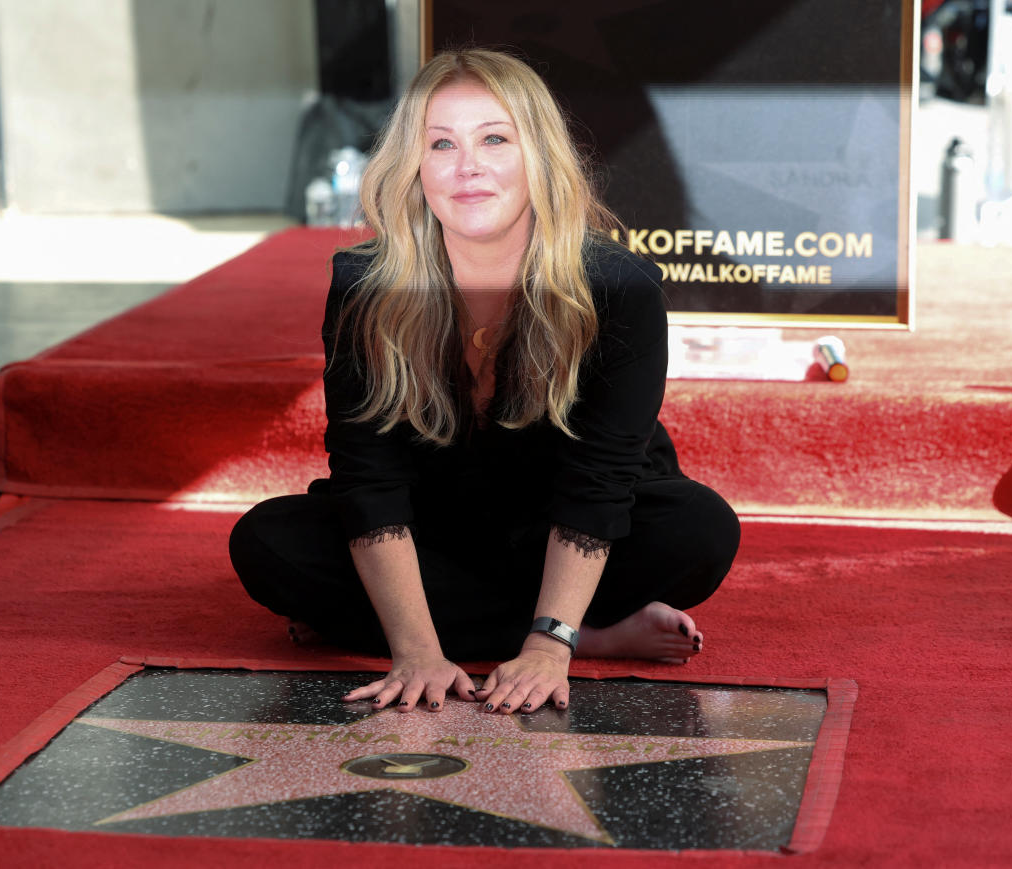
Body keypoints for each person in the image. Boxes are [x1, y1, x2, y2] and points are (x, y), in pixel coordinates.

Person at [229, 48, 739, 716]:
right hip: (433, 523)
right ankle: (591, 631)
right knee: (266, 543)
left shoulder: (620, 287)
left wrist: (548, 645)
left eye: (494, 139)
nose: (467, 166)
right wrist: (413, 651)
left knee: (701, 533)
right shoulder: (364, 287)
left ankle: (540, 625)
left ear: (539, 157)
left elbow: (599, 482)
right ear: (413, 166)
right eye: (440, 143)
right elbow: (369, 478)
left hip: (566, 520)